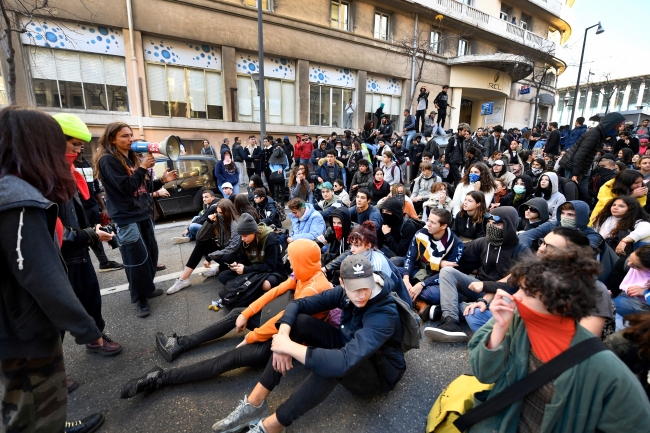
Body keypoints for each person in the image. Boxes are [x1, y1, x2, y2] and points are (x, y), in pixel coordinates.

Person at [212, 254, 405, 433]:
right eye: (354, 288)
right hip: (350, 345)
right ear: (341, 283)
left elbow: (343, 362)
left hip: (378, 374)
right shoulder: (344, 293)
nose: (362, 294)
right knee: (299, 321)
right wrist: (284, 336)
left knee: (331, 366)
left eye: (365, 286)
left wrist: (288, 347)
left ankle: (272, 425)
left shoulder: (384, 313)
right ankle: (254, 405)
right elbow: (298, 304)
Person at [121, 240, 331, 402]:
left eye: (293, 259)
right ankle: (179, 344)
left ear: (303, 260)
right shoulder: (305, 273)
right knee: (237, 312)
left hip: (287, 342)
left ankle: (161, 378)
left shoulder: (315, 288)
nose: (289, 263)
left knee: (229, 359)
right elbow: (276, 291)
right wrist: (247, 313)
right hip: (281, 328)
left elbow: (282, 318)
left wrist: (252, 337)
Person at [0, 107, 104, 433]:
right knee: (33, 413)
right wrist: (85, 326)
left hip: (13, 327)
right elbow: (39, 274)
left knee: (25, 407)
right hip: (24, 334)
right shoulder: (17, 200)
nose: (67, 152)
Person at [465, 248, 650, 432]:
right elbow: (484, 373)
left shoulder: (605, 371)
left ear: (561, 304)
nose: (515, 297)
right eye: (519, 288)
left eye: (527, 293)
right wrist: (499, 328)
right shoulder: (517, 322)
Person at [53, 113, 123, 360]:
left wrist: (94, 228)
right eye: (74, 144)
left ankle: (96, 339)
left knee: (91, 298)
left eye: (81, 145)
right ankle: (50, 368)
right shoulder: (46, 179)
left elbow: (78, 210)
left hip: (78, 254)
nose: (79, 149)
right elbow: (53, 230)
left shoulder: (68, 172)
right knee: (57, 313)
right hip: (59, 259)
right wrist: (90, 235)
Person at [463, 227, 615, 338]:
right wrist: (484, 301)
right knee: (475, 313)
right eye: (542, 242)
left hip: (554, 341)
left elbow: (584, 344)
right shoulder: (534, 270)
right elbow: (505, 282)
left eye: (549, 247)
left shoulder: (594, 291)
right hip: (525, 326)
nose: (541, 249)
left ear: (571, 254)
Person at [94, 122, 177, 317]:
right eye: (124, 136)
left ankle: (146, 288)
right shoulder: (108, 160)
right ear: (112, 138)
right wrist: (142, 168)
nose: (130, 139)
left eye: (131, 135)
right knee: (136, 258)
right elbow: (126, 187)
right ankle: (140, 299)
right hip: (126, 217)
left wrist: (162, 180)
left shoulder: (130, 159)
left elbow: (142, 188)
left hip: (142, 212)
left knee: (150, 254)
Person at [426, 206, 531, 342]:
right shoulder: (482, 243)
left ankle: (447, 309)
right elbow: (461, 268)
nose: (491, 227)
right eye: (490, 223)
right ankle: (451, 322)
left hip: (501, 296)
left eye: (497, 224)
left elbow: (516, 284)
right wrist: (424, 283)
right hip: (478, 289)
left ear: (509, 226)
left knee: (471, 310)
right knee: (446, 273)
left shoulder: (522, 250)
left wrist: (485, 285)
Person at [166, 199, 240, 294]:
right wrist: (209, 222)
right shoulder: (219, 220)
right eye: (217, 212)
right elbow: (200, 237)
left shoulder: (235, 224)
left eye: (221, 213)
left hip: (235, 257)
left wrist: (210, 257)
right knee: (201, 243)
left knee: (227, 256)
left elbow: (232, 248)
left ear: (228, 212)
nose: (218, 215)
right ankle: (183, 279)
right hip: (224, 251)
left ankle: (219, 269)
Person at [403, 209, 464, 320]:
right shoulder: (422, 233)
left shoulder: (456, 245)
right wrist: (406, 278)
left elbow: (448, 276)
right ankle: (419, 301)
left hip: (435, 279)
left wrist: (422, 285)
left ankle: (405, 294)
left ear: (443, 226)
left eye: (433, 222)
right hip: (420, 269)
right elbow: (410, 257)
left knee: (436, 295)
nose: (428, 224)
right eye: (428, 220)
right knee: (392, 267)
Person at [73, 143, 123, 272]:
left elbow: (95, 187)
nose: (81, 145)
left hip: (93, 206)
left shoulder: (87, 164)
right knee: (82, 237)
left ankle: (104, 262)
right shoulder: (70, 165)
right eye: (76, 143)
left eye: (82, 143)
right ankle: (84, 267)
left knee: (96, 234)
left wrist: (103, 207)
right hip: (79, 208)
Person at [217, 213, 287, 294]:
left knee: (266, 285)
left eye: (245, 236)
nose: (242, 239)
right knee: (223, 276)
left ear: (254, 232)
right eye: (241, 236)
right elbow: (243, 257)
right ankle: (250, 286)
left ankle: (247, 286)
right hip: (253, 269)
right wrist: (238, 264)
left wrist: (246, 270)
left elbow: (270, 266)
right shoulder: (244, 238)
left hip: (272, 271)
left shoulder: (270, 239)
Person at [560, 112, 626, 190]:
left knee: (581, 191)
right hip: (574, 166)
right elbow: (580, 154)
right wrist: (576, 173)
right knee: (572, 191)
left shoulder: (598, 134)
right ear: (611, 125)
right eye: (617, 126)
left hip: (581, 167)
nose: (617, 129)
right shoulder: (594, 134)